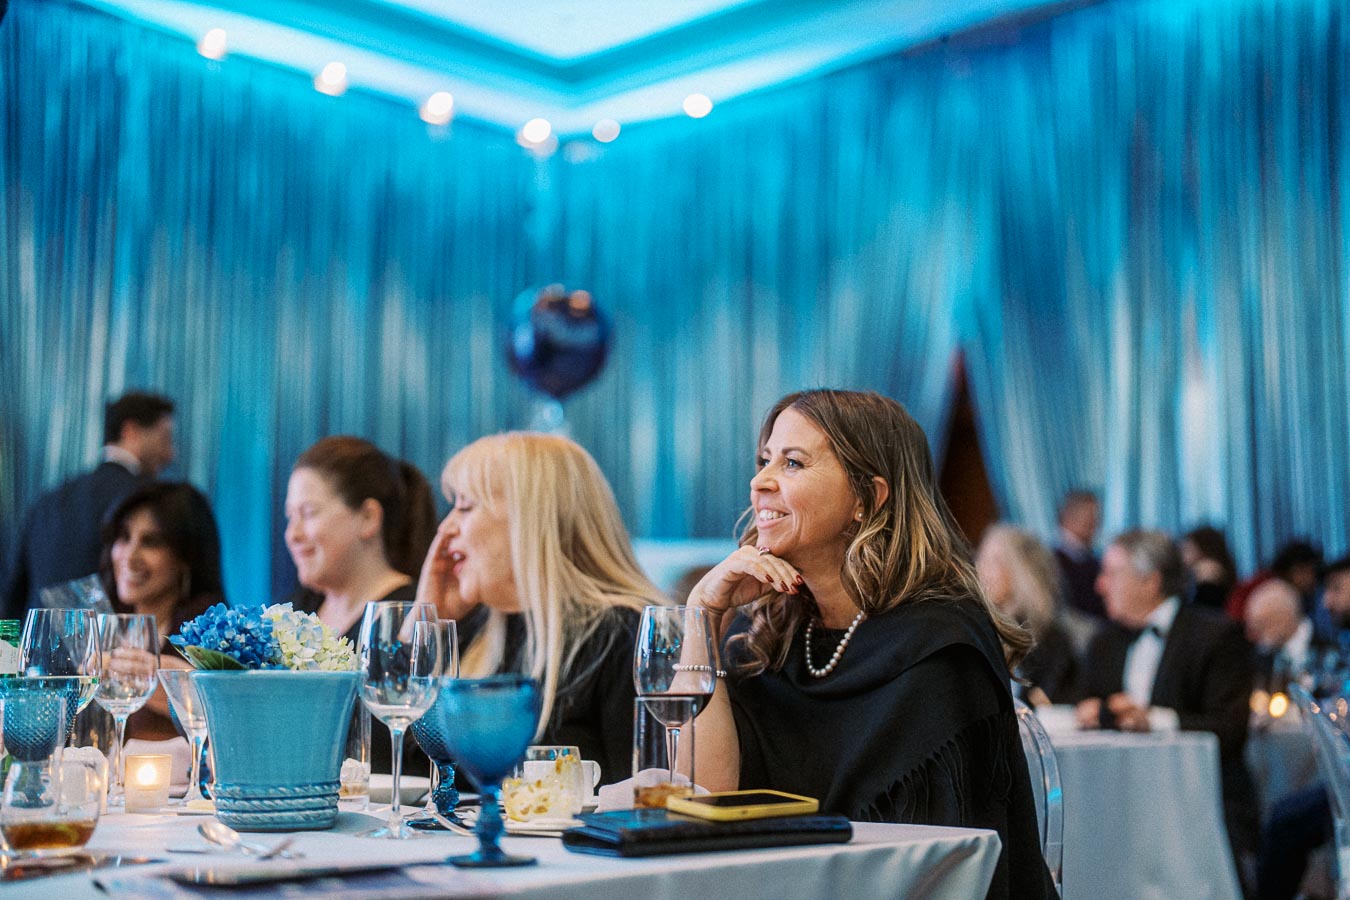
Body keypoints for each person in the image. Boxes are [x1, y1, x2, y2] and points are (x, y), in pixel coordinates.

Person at [687, 389, 1054, 899]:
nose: (760, 481)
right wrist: (702, 617)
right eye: (764, 460)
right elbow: (703, 798)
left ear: (868, 498)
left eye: (792, 463)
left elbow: (930, 869)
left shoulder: (938, 645)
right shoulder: (769, 641)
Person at [416, 432, 667, 786]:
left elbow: (648, 800)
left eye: (466, 506)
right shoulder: (477, 630)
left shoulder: (625, 635)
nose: (446, 527)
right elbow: (411, 782)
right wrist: (429, 627)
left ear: (530, 521)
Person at [1075, 528, 1257, 879]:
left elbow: (1230, 730)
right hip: (1121, 803)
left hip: (1201, 802)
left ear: (1150, 582)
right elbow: (1088, 703)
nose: (1100, 585)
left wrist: (1153, 721)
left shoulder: (1216, 636)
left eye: (1111, 574)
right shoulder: (1104, 642)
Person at [282, 436, 437, 776]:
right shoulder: (299, 614)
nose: (292, 534)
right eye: (289, 517)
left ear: (368, 518)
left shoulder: (412, 613)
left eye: (307, 514)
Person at [4, 391, 176, 619]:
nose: (171, 454)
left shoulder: (48, 500)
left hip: (36, 648)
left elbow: (10, 598)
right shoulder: (147, 500)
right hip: (113, 650)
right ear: (131, 431)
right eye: (165, 439)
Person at [98, 482, 224, 741]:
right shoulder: (105, 627)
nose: (129, 557)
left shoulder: (212, 639)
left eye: (151, 542)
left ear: (186, 556)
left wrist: (165, 683)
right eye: (123, 537)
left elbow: (226, 724)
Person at [975, 524, 1081, 704]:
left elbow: (1044, 703)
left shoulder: (1051, 639)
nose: (980, 568)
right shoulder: (976, 628)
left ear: (1021, 570)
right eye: (980, 558)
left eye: (993, 561)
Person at [1244, 578, 1320, 691]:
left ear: (1284, 619)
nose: (1251, 636)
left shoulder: (1330, 647)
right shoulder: (1261, 658)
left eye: (1260, 625)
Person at [1052, 489, 1105, 619]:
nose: (1096, 524)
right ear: (1068, 517)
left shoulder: (1091, 558)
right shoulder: (1053, 561)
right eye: (1090, 518)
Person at [1180, 525, 1239, 611]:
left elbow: (1203, 610)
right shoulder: (1223, 568)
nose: (1183, 556)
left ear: (1203, 549)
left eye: (1187, 549)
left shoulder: (1208, 572)